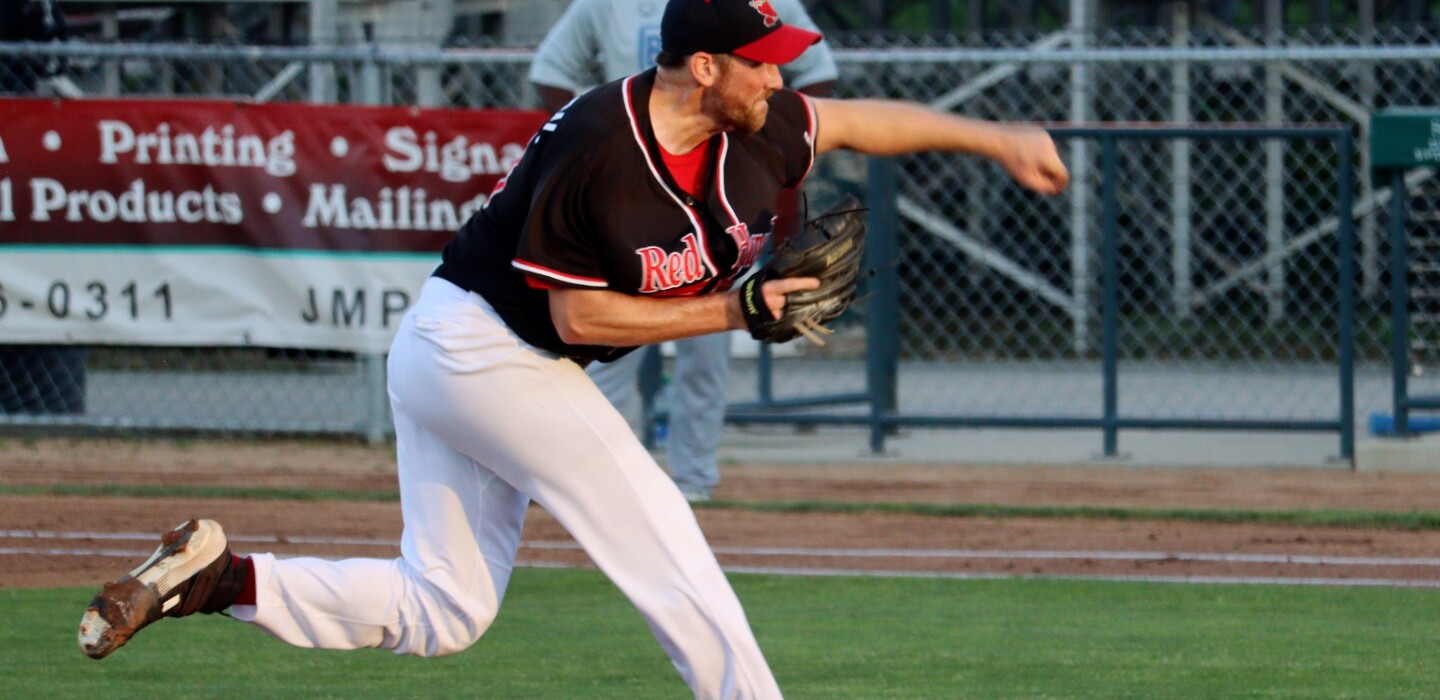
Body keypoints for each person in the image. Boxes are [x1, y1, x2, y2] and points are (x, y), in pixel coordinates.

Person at [77, 1, 1068, 696]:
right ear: (708, 67)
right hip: (481, 348)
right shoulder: (604, 144)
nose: (781, 74)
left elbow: (860, 121)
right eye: (762, 57)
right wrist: (736, 311)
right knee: (664, 541)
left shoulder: (758, 125)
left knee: (445, 610)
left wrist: (994, 137)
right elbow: (578, 323)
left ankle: (220, 578)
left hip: (481, 358)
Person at [529, 0, 838, 502]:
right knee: (605, 355)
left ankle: (693, 481)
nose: (774, 76)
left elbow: (819, 71)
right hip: (630, 198)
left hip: (718, 192)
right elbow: (551, 70)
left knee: (708, 351)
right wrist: (596, 131)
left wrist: (773, 146)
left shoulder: (754, 5)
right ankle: (592, 483)